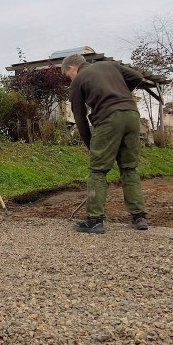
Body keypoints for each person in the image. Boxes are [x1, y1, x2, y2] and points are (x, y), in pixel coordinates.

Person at [61, 54, 151, 234]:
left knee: (98, 170)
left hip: (108, 118)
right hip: (132, 116)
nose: (69, 78)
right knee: (129, 168)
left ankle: (94, 220)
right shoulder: (111, 66)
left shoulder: (78, 81)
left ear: (71, 67)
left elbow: (79, 117)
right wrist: (122, 95)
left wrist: (90, 145)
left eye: (67, 74)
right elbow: (137, 77)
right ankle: (139, 217)